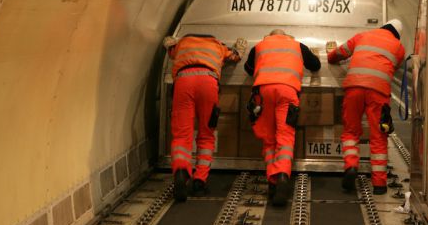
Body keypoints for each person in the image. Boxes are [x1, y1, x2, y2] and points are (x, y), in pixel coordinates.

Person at [164, 34, 246, 202]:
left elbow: (170, 50)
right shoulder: (218, 45)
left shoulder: (182, 44)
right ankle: (199, 182)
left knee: (181, 135)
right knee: (206, 134)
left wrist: (169, 43)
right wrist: (240, 47)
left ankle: (181, 171)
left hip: (183, 82)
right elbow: (235, 56)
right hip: (208, 83)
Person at [327, 19, 406, 194]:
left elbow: (338, 53)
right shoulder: (399, 47)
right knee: (379, 135)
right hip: (378, 91)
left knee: (350, 131)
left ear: (383, 26)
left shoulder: (363, 35)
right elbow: (394, 66)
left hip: (354, 87)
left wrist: (330, 57)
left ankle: (351, 167)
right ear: (397, 34)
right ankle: (379, 185)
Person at [244, 29, 321, 206]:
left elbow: (248, 69)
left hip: (263, 93)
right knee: (285, 136)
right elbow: (315, 65)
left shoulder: (259, 46)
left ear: (268, 36)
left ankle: (273, 180)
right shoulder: (297, 45)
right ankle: (283, 175)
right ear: (287, 36)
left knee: (269, 138)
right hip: (288, 91)